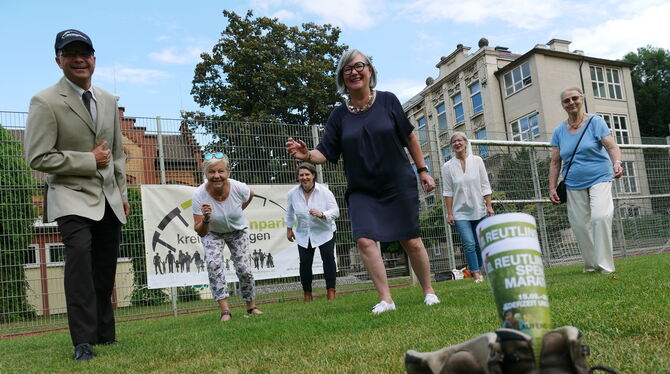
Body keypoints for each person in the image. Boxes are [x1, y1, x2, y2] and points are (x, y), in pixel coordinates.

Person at [286, 49, 440, 314]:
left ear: (370, 71)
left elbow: (410, 138)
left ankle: (428, 291)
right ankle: (386, 299)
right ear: (342, 79)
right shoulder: (338, 115)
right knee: (365, 240)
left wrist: (423, 170)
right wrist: (307, 154)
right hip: (362, 189)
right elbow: (326, 151)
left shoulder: (388, 101)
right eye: (347, 69)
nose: (354, 72)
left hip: (397, 183)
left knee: (411, 240)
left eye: (359, 66)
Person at [24, 29, 130, 361]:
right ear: (59, 61)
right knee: (80, 261)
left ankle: (105, 334)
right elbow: (38, 158)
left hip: (109, 197)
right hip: (70, 195)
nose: (79, 59)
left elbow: (117, 154)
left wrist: (123, 192)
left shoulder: (109, 100)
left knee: (103, 267)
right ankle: (82, 342)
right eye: (70, 54)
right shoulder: (45, 101)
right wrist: (88, 160)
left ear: (94, 59)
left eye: (85, 53)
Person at [549, 87, 623, 274]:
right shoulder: (559, 131)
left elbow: (611, 146)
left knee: (600, 217)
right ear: (563, 105)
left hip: (600, 177)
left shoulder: (595, 122)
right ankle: (591, 265)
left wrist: (617, 163)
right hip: (573, 182)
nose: (571, 103)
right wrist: (552, 188)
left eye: (575, 98)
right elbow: (555, 162)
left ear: (582, 99)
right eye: (567, 100)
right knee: (580, 226)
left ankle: (605, 266)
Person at [192, 152, 263, 322]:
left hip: (237, 231)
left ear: (228, 173)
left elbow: (250, 195)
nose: (216, 176)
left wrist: (237, 211)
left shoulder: (238, 187)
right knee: (214, 264)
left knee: (244, 268)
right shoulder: (199, 195)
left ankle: (251, 306)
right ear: (205, 174)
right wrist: (207, 219)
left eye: (220, 171)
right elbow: (200, 230)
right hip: (212, 232)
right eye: (211, 172)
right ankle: (225, 311)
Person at [441, 132, 494, 284]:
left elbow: (485, 185)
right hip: (460, 213)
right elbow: (448, 191)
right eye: (453, 142)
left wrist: (489, 205)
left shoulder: (477, 161)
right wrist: (449, 213)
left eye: (459, 140)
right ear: (451, 147)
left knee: (479, 243)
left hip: (479, 209)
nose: (457, 143)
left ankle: (480, 269)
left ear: (465, 143)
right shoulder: (447, 167)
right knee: (469, 243)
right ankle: (476, 275)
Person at [286, 163, 340, 302]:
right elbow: (290, 212)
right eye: (301, 175)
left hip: (325, 231)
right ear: (298, 177)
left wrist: (322, 214)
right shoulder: (292, 193)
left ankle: (331, 291)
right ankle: (307, 294)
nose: (304, 178)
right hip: (304, 233)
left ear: (313, 175)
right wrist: (289, 228)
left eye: (307, 175)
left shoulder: (324, 192)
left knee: (328, 259)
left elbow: (336, 212)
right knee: (305, 262)